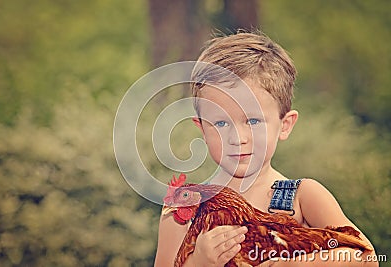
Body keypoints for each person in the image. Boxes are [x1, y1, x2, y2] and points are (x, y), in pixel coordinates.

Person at [154, 31, 377, 266]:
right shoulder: (184, 204)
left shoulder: (301, 196)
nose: (238, 138)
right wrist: (198, 261)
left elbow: (366, 257)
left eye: (253, 121)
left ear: (285, 125)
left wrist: (290, 264)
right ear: (202, 130)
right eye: (220, 123)